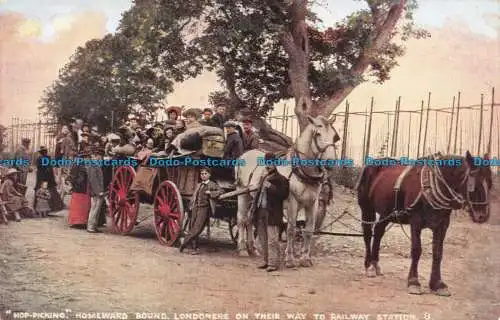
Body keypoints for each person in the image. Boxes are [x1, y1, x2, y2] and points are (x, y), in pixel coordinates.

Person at [253, 152, 289, 272]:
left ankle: (273, 263)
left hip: (272, 213)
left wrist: (270, 187)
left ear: (275, 164)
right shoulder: (263, 177)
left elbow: (284, 195)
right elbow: (258, 195)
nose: (268, 166)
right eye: (266, 163)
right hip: (261, 212)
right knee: (262, 239)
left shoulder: (281, 179)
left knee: (272, 240)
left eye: (271, 163)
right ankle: (266, 261)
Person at [180, 167, 224, 254]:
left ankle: (184, 242)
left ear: (209, 175)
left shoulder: (212, 184)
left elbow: (221, 191)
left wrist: (211, 193)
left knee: (198, 227)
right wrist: (191, 206)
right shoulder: (199, 185)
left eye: (205, 174)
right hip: (196, 207)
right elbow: (194, 196)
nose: (203, 176)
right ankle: (194, 247)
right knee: (192, 225)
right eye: (202, 174)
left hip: (204, 208)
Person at [34, 146, 64, 212]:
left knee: (44, 193)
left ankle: (44, 209)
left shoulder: (41, 159)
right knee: (46, 193)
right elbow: (47, 169)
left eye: (44, 152)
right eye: (44, 152)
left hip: (44, 179)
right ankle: (47, 209)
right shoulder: (46, 158)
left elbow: (45, 169)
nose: (44, 153)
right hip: (46, 179)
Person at [67, 151, 91, 228]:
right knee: (78, 206)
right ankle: (76, 222)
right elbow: (74, 176)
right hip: (79, 188)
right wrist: (75, 183)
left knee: (83, 206)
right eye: (86, 157)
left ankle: (81, 222)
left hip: (83, 188)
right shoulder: (79, 165)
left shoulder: (82, 165)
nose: (87, 159)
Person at [86, 148, 105, 233]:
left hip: (98, 191)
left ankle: (94, 226)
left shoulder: (96, 164)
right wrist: (98, 191)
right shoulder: (93, 165)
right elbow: (93, 180)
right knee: (94, 209)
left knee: (96, 210)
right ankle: (90, 227)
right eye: (99, 157)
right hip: (96, 192)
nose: (100, 159)